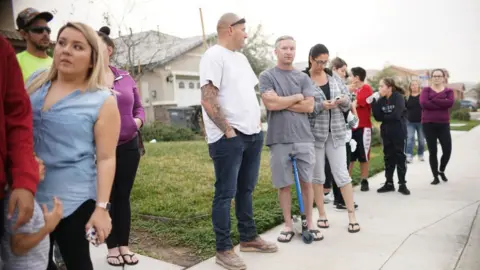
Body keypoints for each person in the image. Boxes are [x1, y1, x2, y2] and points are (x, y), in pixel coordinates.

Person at [26, 22, 120, 270]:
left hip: (73, 200)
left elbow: (106, 158)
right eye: (62, 43)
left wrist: (102, 208)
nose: (65, 50)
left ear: (92, 59)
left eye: (77, 46)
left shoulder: (102, 101)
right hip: (29, 194)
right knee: (34, 263)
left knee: (77, 262)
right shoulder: (36, 82)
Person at [199, 13, 277, 270]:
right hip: (229, 138)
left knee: (246, 189)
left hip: (252, 134)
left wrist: (256, 126)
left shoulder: (241, 58)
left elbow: (245, 94)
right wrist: (229, 132)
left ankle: (248, 237)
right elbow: (209, 99)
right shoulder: (213, 56)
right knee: (225, 194)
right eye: (243, 30)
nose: (246, 34)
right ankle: (223, 249)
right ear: (230, 29)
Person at [260, 36, 322, 243]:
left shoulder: (303, 78)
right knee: (283, 184)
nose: (289, 51)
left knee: (307, 182)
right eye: (284, 48)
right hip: (278, 138)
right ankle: (288, 224)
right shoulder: (267, 76)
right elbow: (271, 105)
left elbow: (310, 107)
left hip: (304, 137)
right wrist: (296, 97)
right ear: (276, 51)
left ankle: (310, 223)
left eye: (292, 48)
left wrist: (281, 101)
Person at [97, 26, 145, 267]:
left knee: (123, 196)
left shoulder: (125, 77)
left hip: (128, 145)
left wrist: (136, 123)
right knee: (106, 198)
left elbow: (139, 107)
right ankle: (111, 246)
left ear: (109, 50)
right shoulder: (86, 78)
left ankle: (124, 244)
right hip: (100, 149)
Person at [303, 44, 360, 233]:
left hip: (336, 132)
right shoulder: (303, 79)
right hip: (315, 135)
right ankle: (322, 215)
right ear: (311, 58)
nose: (322, 65)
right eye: (319, 61)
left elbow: (346, 98)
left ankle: (351, 216)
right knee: (318, 177)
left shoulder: (333, 77)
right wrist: (321, 106)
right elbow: (303, 108)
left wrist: (343, 101)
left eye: (325, 61)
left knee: (342, 174)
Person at [0, 35, 41, 267]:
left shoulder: (2, 49)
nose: (45, 34)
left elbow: (17, 116)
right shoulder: (21, 59)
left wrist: (25, 177)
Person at [371, 78, 411, 195]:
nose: (379, 89)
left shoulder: (398, 97)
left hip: (398, 131)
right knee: (388, 157)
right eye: (379, 86)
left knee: (400, 156)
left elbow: (396, 115)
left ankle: (402, 184)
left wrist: (384, 117)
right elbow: (377, 116)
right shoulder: (381, 100)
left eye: (381, 86)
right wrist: (374, 102)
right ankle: (389, 183)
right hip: (386, 132)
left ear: (389, 87)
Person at [329, 57, 359, 210]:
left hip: (345, 133)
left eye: (345, 71)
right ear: (334, 68)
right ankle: (339, 198)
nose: (344, 74)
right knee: (340, 168)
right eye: (342, 70)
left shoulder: (342, 86)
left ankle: (339, 198)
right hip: (336, 133)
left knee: (343, 167)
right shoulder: (332, 86)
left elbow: (351, 109)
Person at [420, 69, 454, 185]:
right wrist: (441, 101)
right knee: (432, 151)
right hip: (428, 124)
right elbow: (424, 103)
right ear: (431, 78)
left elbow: (450, 103)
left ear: (444, 77)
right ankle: (435, 176)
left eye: (439, 76)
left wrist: (433, 100)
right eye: (434, 76)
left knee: (447, 150)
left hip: (444, 124)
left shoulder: (449, 91)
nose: (437, 78)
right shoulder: (426, 90)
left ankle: (441, 170)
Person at [348, 67, 373, 192]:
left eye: (351, 76)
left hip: (363, 127)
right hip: (351, 128)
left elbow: (355, 104)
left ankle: (364, 180)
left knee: (364, 156)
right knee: (350, 156)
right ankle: (347, 181)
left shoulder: (366, 89)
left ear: (357, 77)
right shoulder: (351, 89)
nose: (349, 78)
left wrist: (347, 101)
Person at [15, 8, 54, 82]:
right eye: (39, 29)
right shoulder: (14, 63)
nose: (45, 34)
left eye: (48, 30)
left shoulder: (56, 64)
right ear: (24, 34)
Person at [405, 80, 425, 163]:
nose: (414, 86)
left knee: (421, 140)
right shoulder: (407, 97)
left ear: (418, 86)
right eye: (412, 85)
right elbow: (404, 108)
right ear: (410, 87)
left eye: (415, 85)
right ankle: (409, 156)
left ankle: (420, 154)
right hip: (410, 122)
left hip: (421, 122)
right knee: (409, 139)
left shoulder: (422, 96)